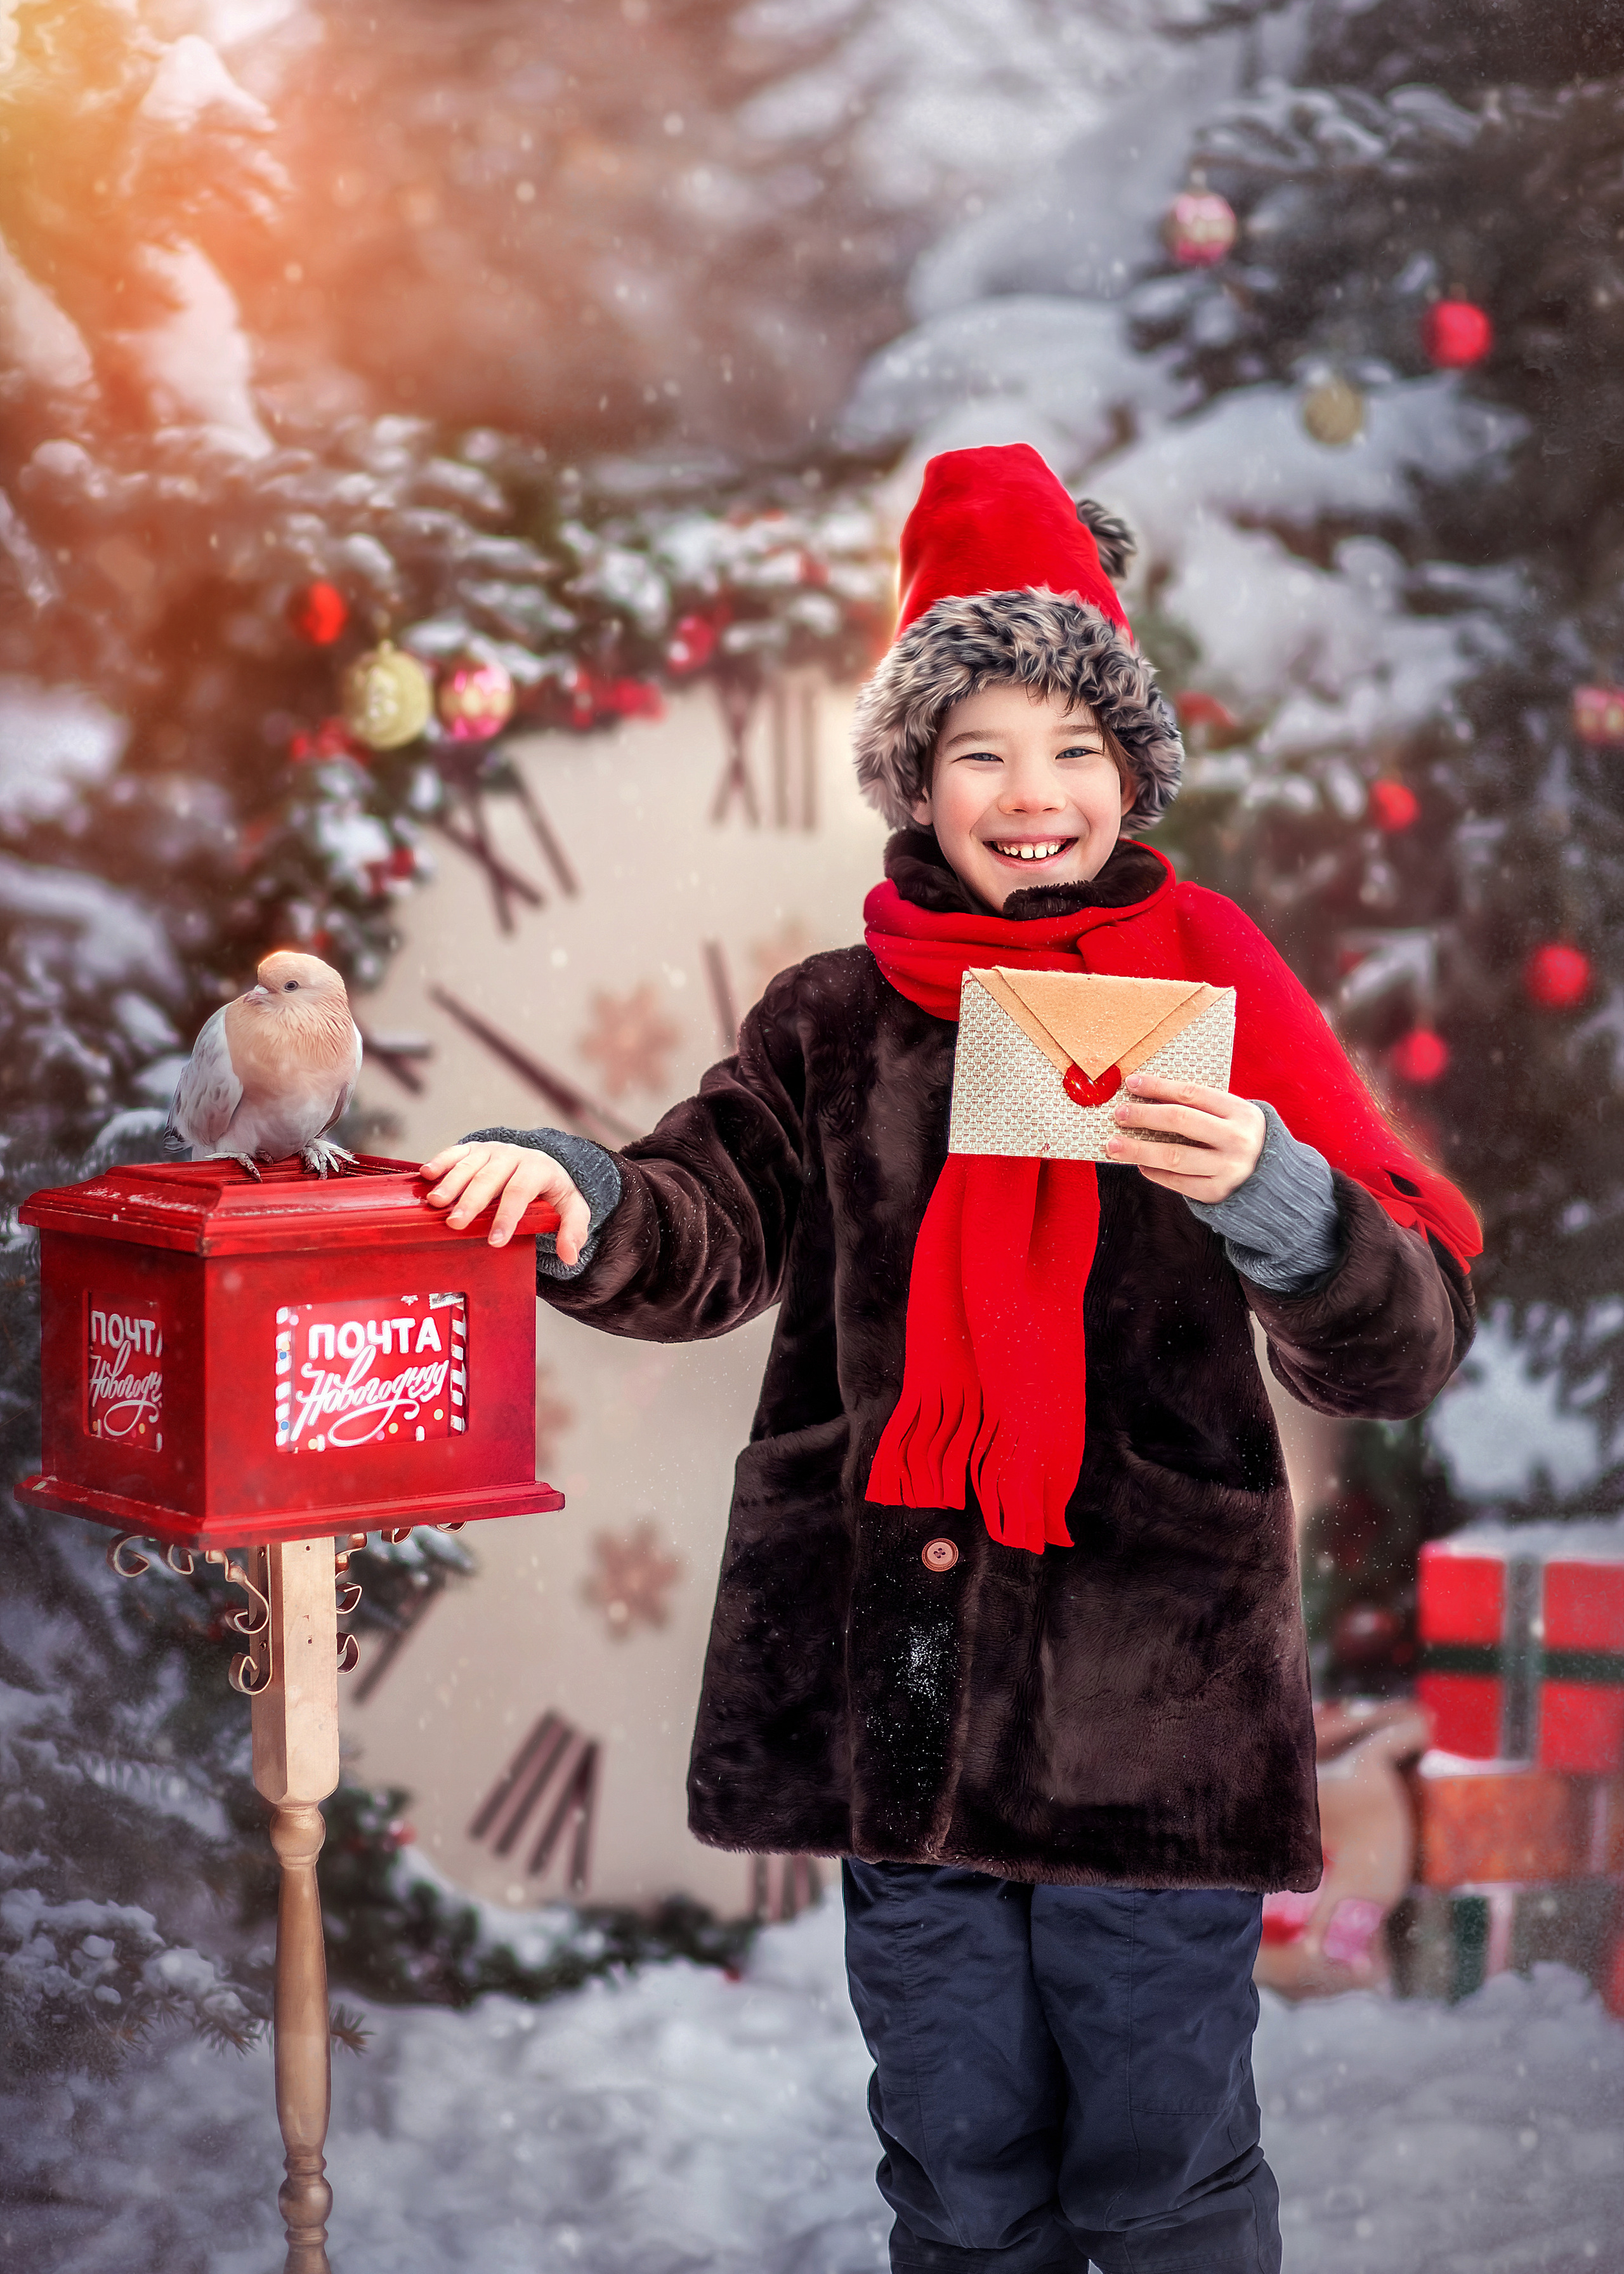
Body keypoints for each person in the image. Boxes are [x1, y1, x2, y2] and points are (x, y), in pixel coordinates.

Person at [421, 444, 1479, 2274]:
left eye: (1075, 744)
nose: (1033, 793)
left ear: (1133, 765)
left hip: (1153, 1684)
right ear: (916, 775)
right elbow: (705, 1217)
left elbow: (1407, 1319)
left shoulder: (1211, 979)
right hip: (900, 1672)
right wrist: (580, 1199)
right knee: (959, 2171)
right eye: (979, 746)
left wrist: (1279, 1197)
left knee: (1162, 2181)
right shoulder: (836, 1018)